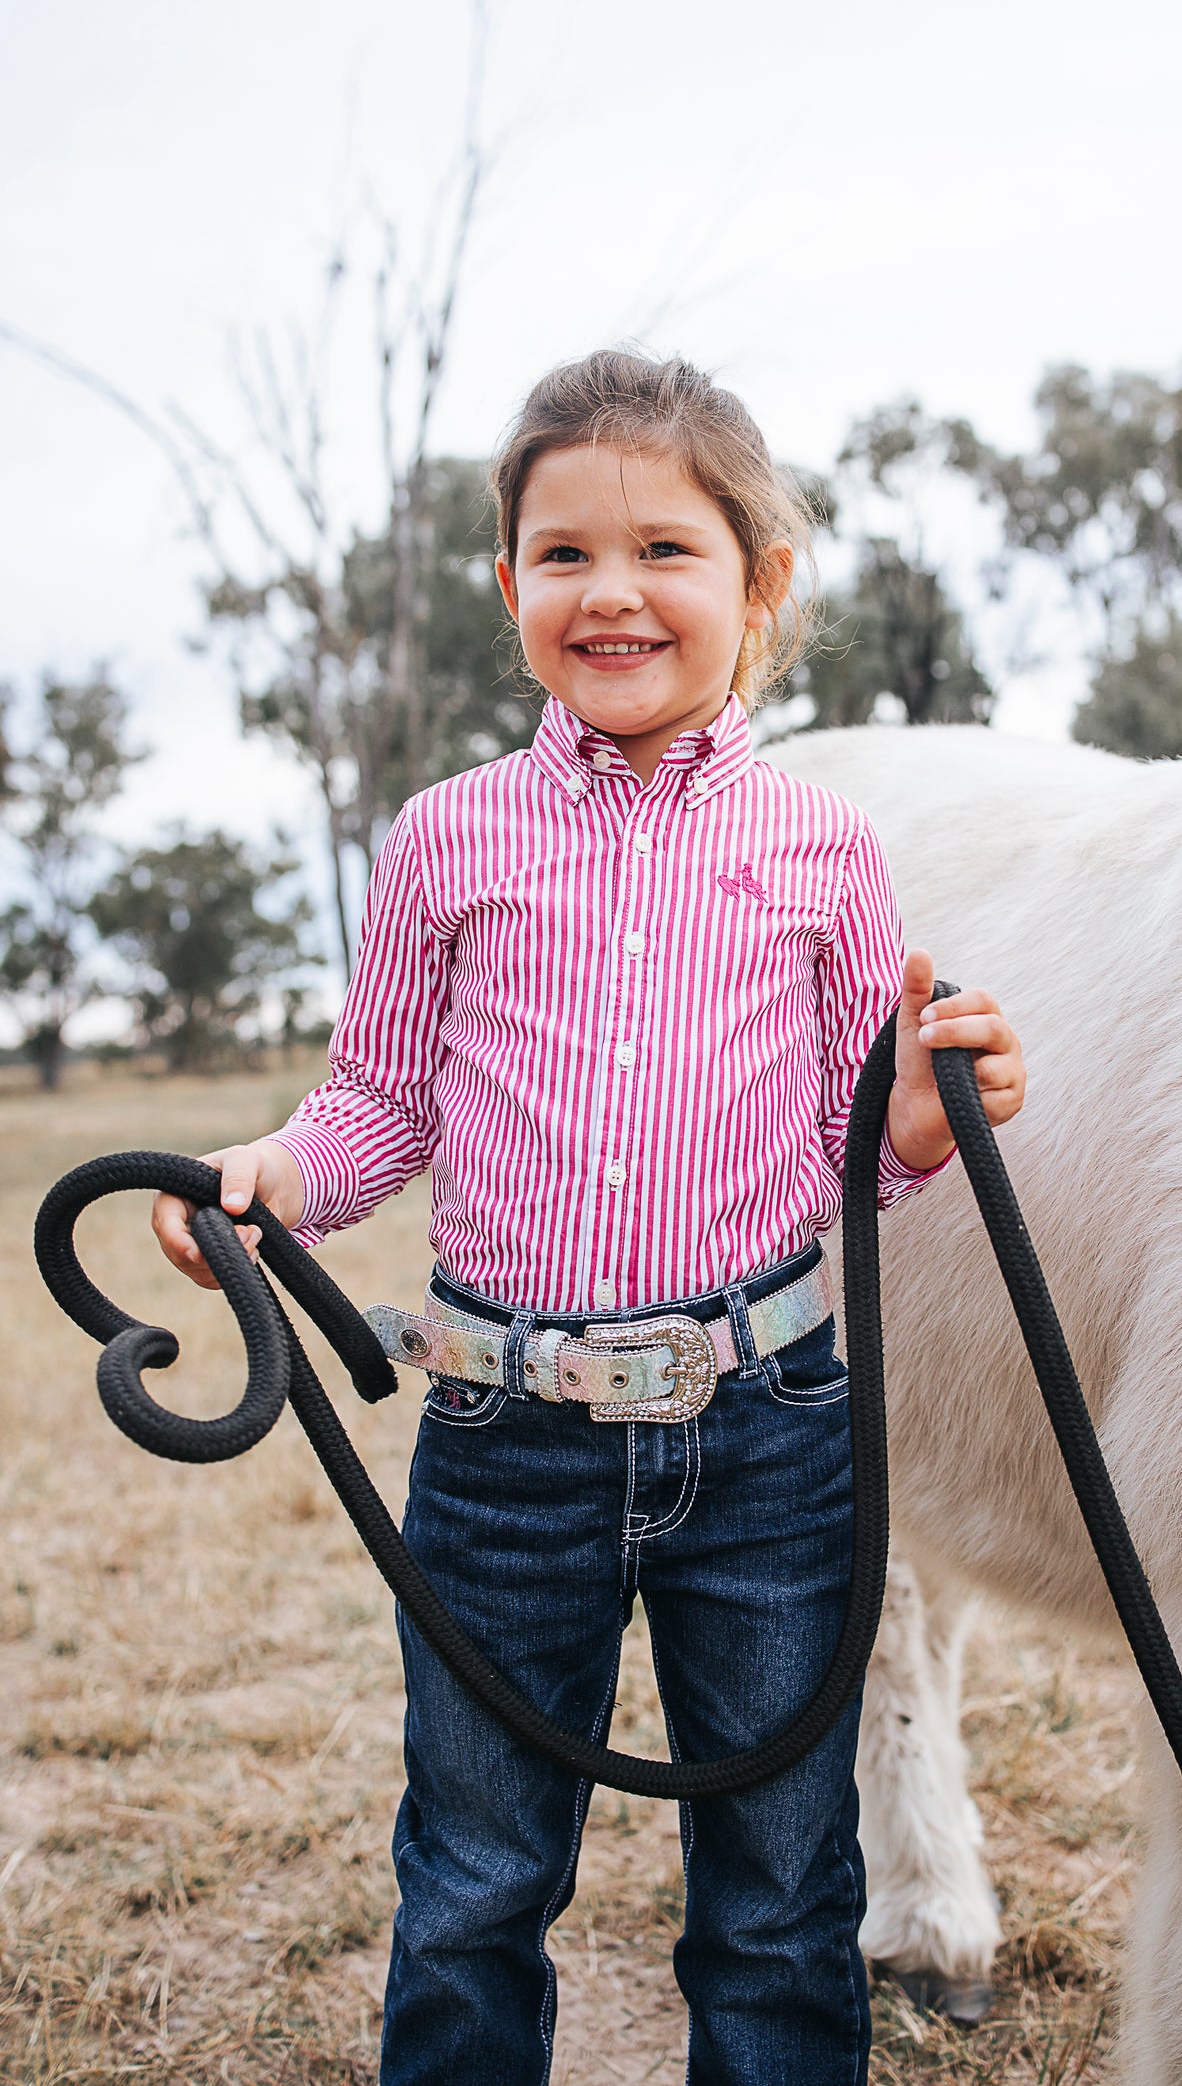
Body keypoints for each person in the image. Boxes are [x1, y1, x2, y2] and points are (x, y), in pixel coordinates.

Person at [152, 349, 1026, 2086]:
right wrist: (271, 1179)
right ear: (509, 587)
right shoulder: (445, 841)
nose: (610, 591)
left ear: (759, 585)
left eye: (665, 552)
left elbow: (849, 1149)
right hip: (499, 1441)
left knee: (780, 1900)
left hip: (769, 1438)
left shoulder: (823, 852)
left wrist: (916, 1127)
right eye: (562, 555)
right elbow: (378, 1105)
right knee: (473, 1883)